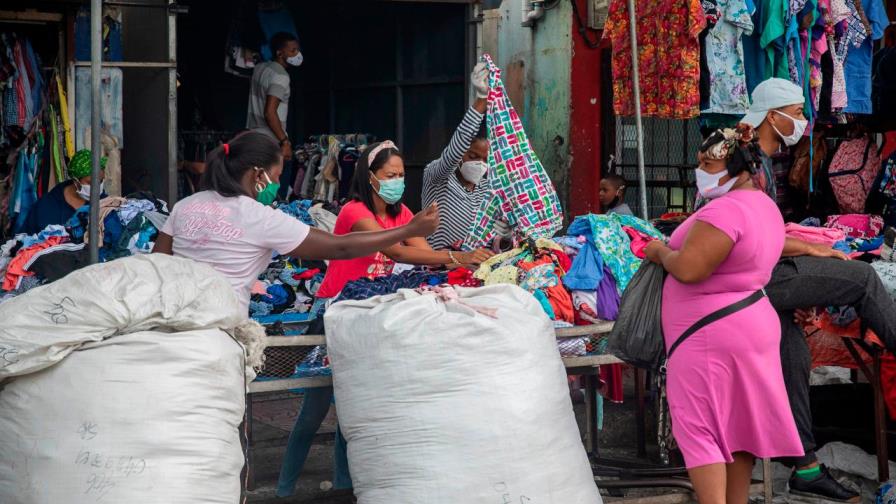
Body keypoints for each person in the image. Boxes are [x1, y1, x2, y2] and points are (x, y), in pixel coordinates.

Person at [276, 140, 494, 497]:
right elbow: (393, 249)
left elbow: (422, 254)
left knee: (354, 411)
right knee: (313, 412)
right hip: (335, 314)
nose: (398, 181)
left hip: (370, 318)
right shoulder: (354, 211)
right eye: (390, 175)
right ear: (371, 177)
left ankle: (344, 489)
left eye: (401, 175)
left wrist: (459, 257)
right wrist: (459, 255)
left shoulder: (403, 215)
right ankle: (283, 492)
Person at [739, 77, 896, 502]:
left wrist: (815, 251)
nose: (803, 121)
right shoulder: (746, 166)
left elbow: (764, 230)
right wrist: (813, 257)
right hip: (755, 277)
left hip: (759, 274)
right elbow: (746, 237)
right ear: (773, 116)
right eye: (796, 112)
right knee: (863, 279)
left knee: (792, 355)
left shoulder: (760, 160)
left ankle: (805, 468)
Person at [645, 128, 804, 504]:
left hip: (710, 337)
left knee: (700, 430)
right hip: (748, 327)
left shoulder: (726, 209)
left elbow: (690, 269)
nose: (701, 170)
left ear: (736, 167)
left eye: (708, 163)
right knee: (739, 427)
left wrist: (659, 252)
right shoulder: (764, 205)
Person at [152, 131, 439, 315]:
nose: (277, 185)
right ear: (258, 175)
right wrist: (409, 230)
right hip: (220, 324)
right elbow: (339, 248)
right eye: (276, 177)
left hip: (174, 316)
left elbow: (158, 263)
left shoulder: (186, 205)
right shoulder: (261, 218)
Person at [422, 62, 510, 250]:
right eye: (473, 156)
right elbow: (455, 147)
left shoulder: (488, 190)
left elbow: (492, 242)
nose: (480, 164)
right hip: (439, 267)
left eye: (486, 160)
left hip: (476, 269)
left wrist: (505, 237)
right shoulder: (438, 177)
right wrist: (481, 100)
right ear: (462, 153)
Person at [20, 149, 106, 235]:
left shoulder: (106, 205)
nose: (97, 187)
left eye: (100, 181)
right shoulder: (45, 207)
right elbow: (23, 240)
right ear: (76, 181)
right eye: (91, 183)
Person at [246, 32, 301, 162]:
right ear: (279, 53)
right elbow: (269, 113)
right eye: (293, 51)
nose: (297, 54)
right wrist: (285, 142)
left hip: (253, 137)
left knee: (257, 180)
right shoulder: (281, 76)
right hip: (270, 142)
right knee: (270, 180)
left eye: (297, 50)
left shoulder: (259, 68)